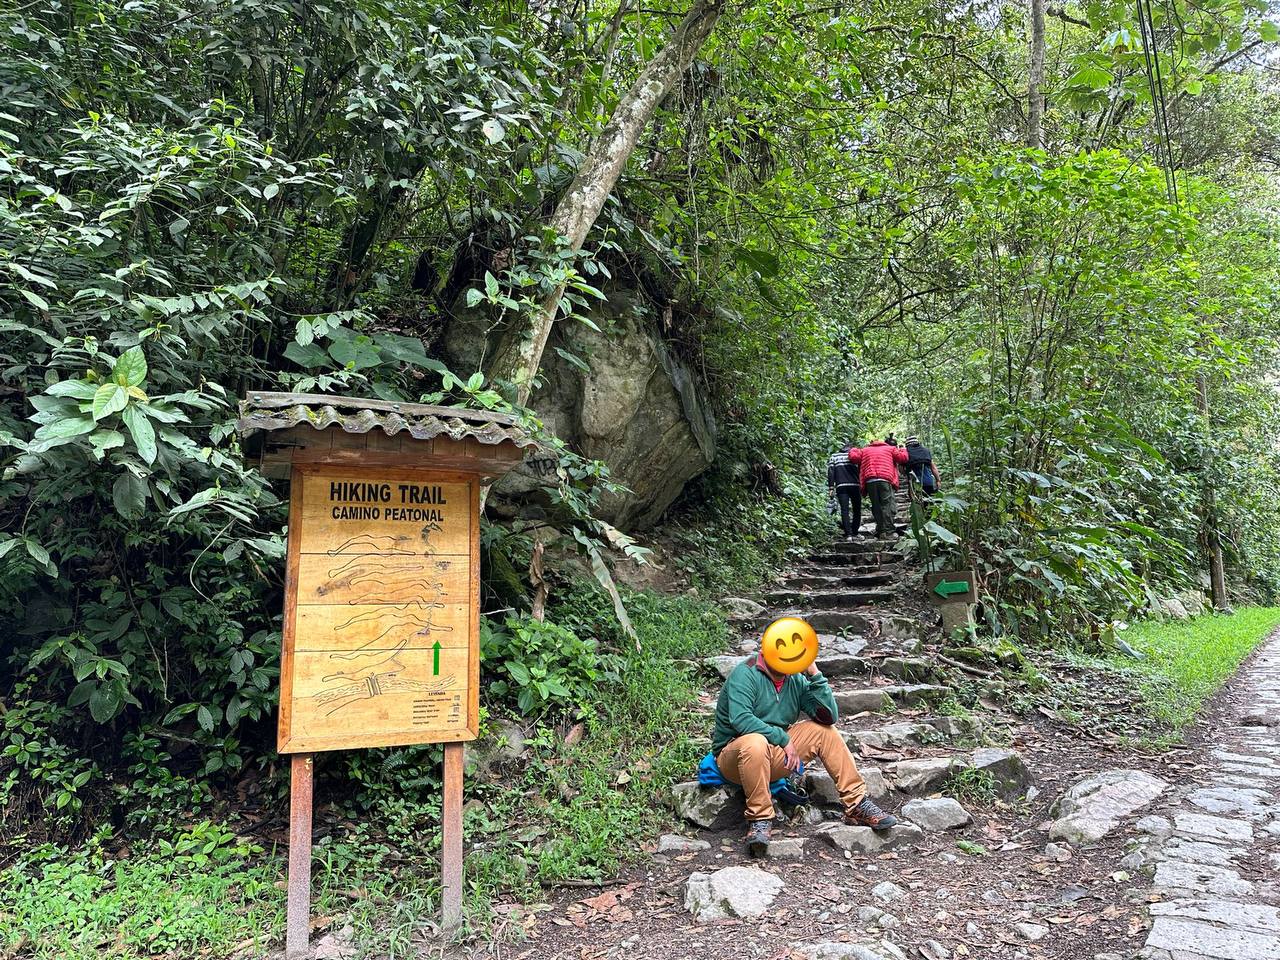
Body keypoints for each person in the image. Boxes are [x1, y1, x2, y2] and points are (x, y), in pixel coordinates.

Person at [711, 630, 898, 856]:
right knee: (754, 742)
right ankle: (760, 818)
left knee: (824, 731)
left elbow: (828, 716)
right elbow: (741, 719)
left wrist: (815, 675)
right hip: (735, 756)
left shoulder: (796, 680)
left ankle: (856, 803)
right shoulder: (746, 673)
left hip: (773, 756)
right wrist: (783, 739)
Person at [849, 436, 909, 538]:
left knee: (876, 505)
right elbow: (903, 458)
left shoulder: (864, 450)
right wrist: (902, 449)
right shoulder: (891, 449)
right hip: (885, 479)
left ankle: (881, 531)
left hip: (870, 480)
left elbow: (853, 457)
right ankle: (889, 531)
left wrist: (853, 448)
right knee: (887, 505)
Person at [826, 443, 862, 540]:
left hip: (841, 486)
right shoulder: (856, 455)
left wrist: (831, 487)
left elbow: (831, 472)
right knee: (857, 509)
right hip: (855, 485)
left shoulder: (834, 456)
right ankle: (855, 532)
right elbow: (861, 470)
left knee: (844, 510)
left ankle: (848, 534)